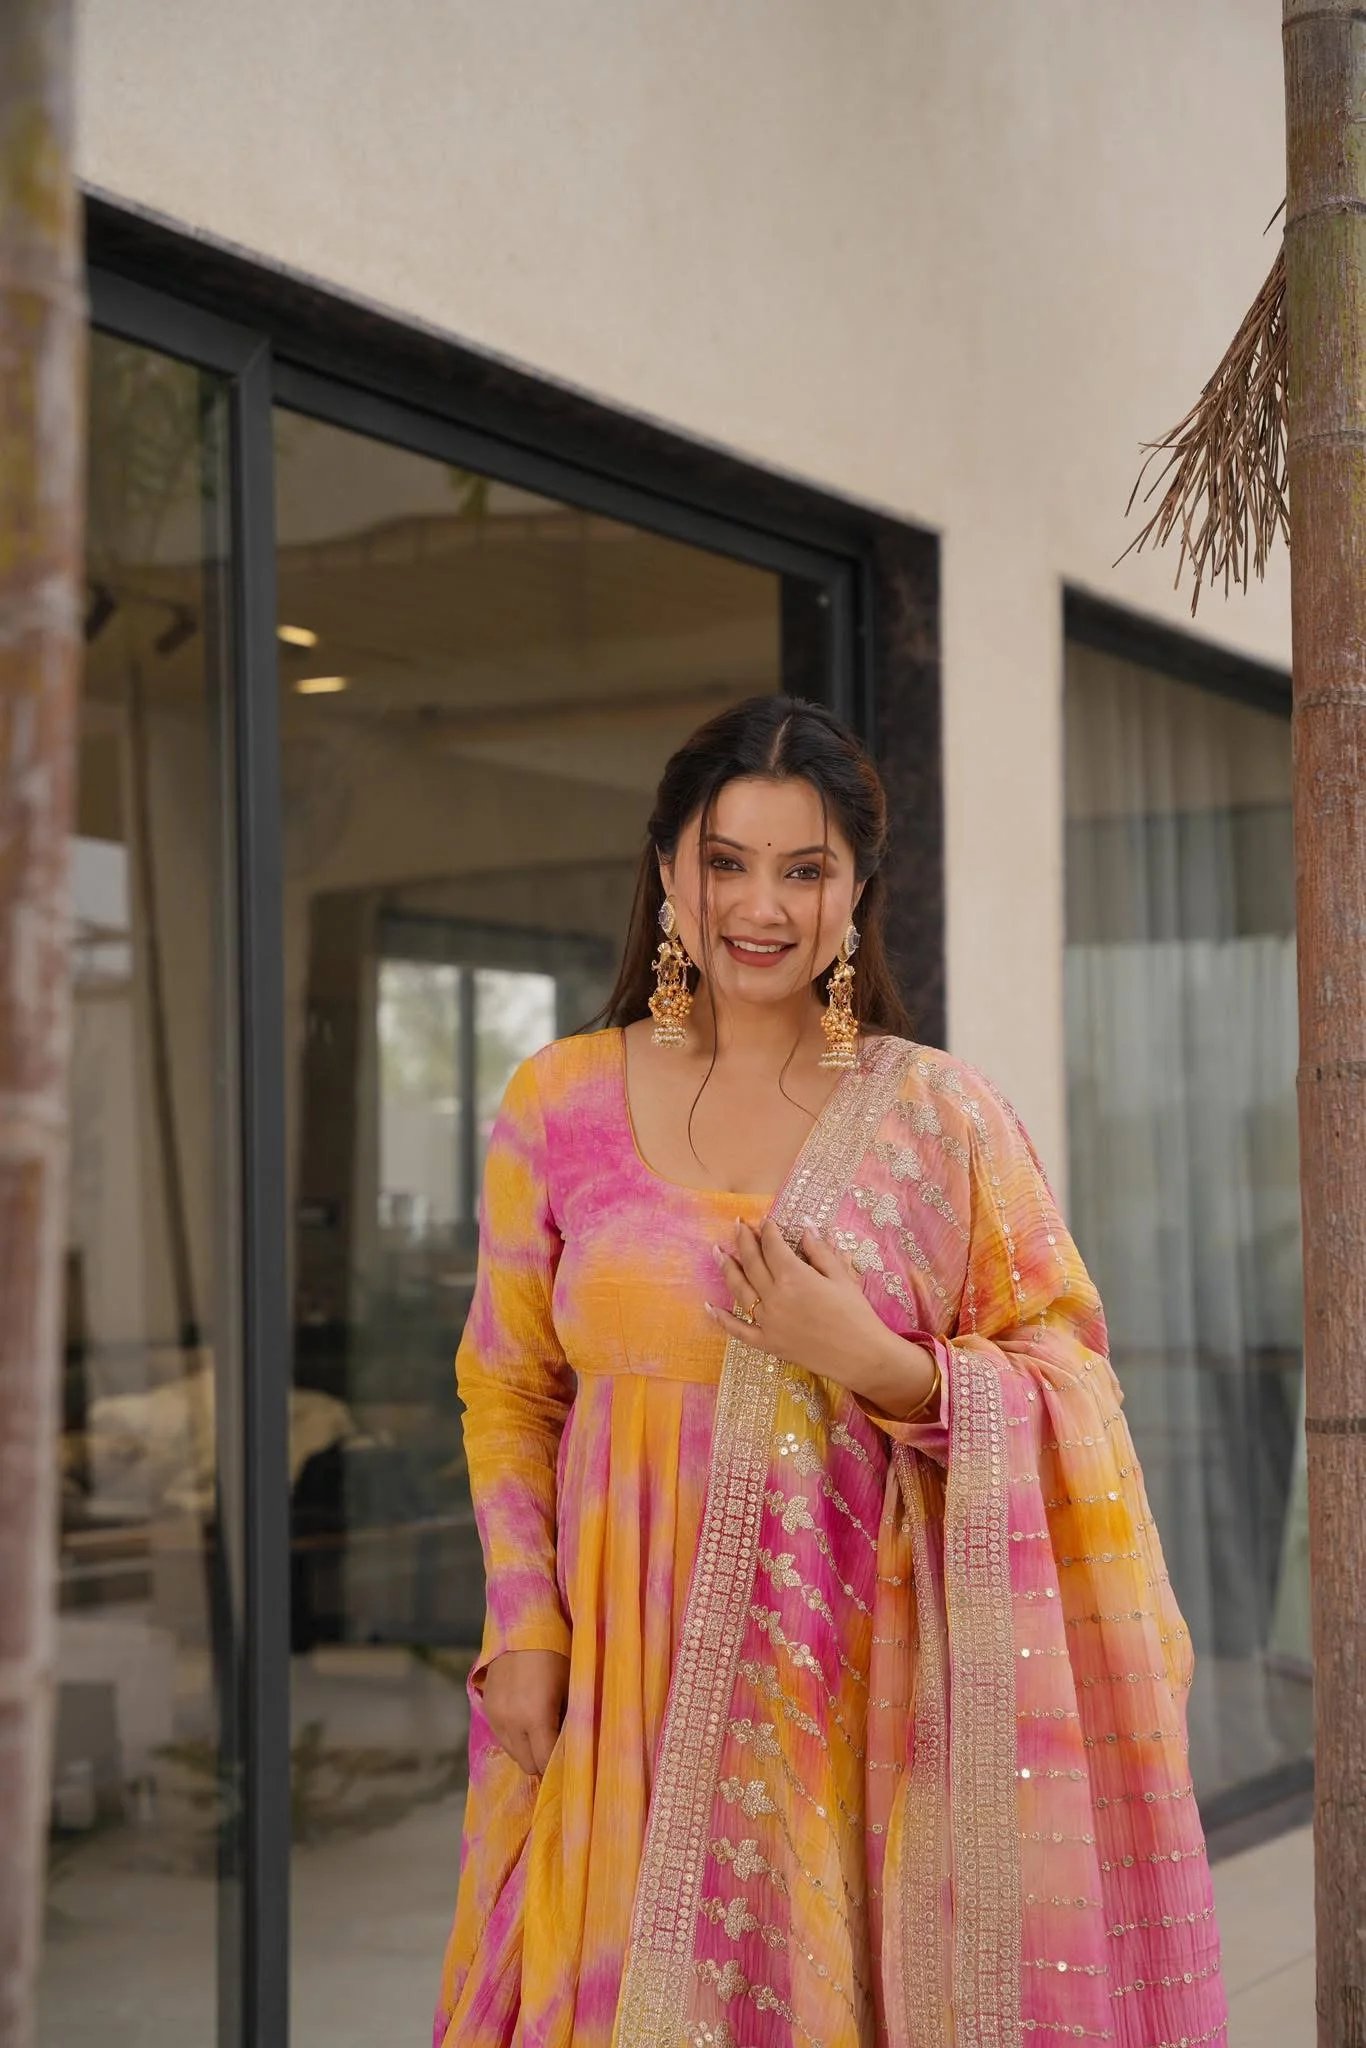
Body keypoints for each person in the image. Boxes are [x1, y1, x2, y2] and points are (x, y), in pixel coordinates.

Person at [433, 695, 1226, 2048]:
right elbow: (509, 1386)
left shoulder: (937, 1115)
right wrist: (525, 1627)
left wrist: (884, 1367)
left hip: (842, 1690)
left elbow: (1068, 1372)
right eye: (725, 862)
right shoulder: (557, 1100)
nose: (761, 906)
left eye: (804, 869)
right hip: (612, 1679)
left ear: (856, 891)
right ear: (667, 872)